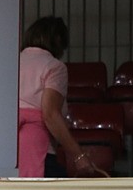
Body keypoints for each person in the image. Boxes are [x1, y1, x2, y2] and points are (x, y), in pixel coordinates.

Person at [17, 16, 108, 178]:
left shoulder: (11, 62)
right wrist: (79, 156)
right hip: (38, 149)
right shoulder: (54, 66)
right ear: (58, 41)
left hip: (6, 151)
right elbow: (50, 114)